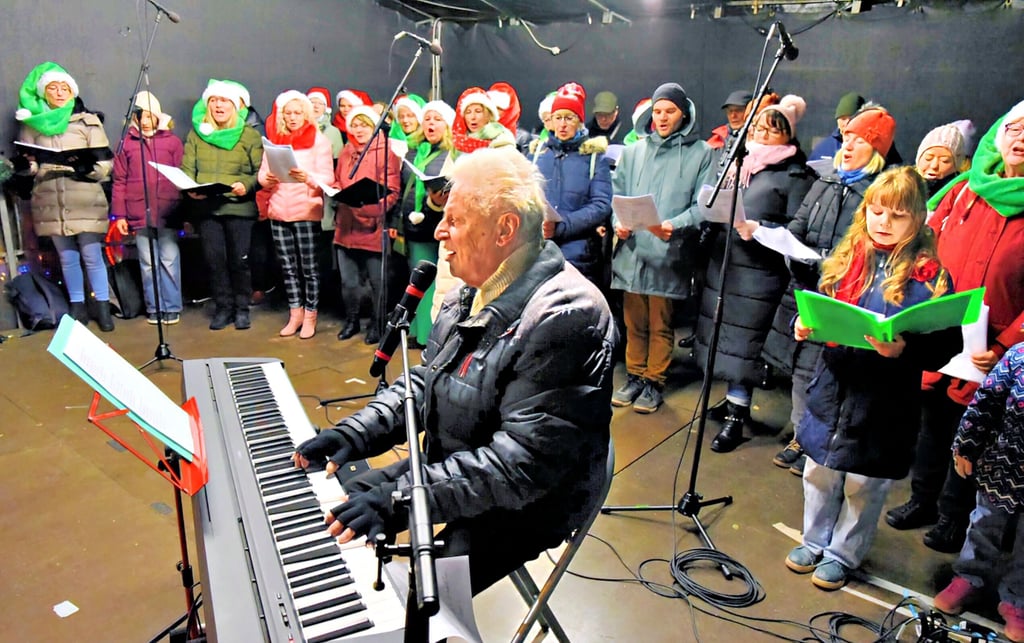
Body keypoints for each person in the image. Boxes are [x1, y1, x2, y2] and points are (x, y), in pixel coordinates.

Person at [292, 147, 616, 595]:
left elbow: (521, 464)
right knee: (339, 505)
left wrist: (400, 499)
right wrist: (354, 434)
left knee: (420, 594)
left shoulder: (566, 316)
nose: (440, 230)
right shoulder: (468, 293)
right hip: (465, 463)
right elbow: (429, 381)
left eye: (456, 219)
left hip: (533, 501)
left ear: (505, 229)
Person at [784, 166, 959, 591]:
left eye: (897, 215)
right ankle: (814, 539)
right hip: (833, 389)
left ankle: (844, 552)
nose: (884, 222)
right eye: (877, 211)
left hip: (885, 401)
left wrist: (905, 349)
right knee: (819, 473)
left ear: (918, 219)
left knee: (864, 485)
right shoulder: (847, 257)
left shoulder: (932, 276)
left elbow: (946, 345)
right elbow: (819, 307)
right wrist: (802, 325)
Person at [884, 100, 1024, 553]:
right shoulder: (965, 190)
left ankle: (953, 518)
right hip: (943, 331)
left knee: (974, 437)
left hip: (995, 348)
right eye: (1015, 128)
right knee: (933, 426)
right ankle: (922, 501)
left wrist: (1004, 345)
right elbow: (926, 244)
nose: (1021, 138)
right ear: (1000, 136)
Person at [761, 104, 897, 474]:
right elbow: (798, 226)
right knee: (800, 369)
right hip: (805, 291)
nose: (848, 145)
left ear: (877, 149)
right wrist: (793, 250)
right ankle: (801, 437)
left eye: (859, 140)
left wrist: (822, 263)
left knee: (827, 374)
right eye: (846, 137)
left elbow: (864, 250)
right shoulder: (826, 181)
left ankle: (818, 442)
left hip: (843, 297)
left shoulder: (878, 195)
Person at [695, 95, 814, 453]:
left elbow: (797, 228)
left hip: (759, 272)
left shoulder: (794, 175)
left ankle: (737, 414)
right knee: (722, 338)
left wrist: (760, 227)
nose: (762, 132)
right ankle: (732, 402)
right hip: (725, 264)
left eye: (772, 129)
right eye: (759, 125)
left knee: (744, 347)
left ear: (788, 137)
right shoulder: (737, 161)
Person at [610, 82, 714, 414]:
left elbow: (704, 205)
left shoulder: (701, 153)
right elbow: (618, 195)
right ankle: (635, 375)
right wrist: (618, 222)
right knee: (633, 320)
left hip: (668, 251)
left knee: (660, 322)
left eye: (669, 111)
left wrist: (676, 224)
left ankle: (654, 380)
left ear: (684, 114)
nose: (662, 117)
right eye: (657, 111)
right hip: (632, 251)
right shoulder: (634, 151)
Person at [932, 342, 1024, 643]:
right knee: (985, 521)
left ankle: (1017, 597)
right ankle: (970, 575)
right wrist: (966, 445)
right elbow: (986, 401)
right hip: (1004, 463)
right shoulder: (1019, 355)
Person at [14, 62, 116, 331]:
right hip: (51, 198)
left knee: (92, 254)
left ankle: (103, 308)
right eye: (53, 88)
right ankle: (77, 307)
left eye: (65, 88)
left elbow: (106, 165)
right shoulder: (31, 125)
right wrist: (27, 168)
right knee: (67, 257)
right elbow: (33, 165)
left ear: (73, 92)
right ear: (43, 93)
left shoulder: (88, 121)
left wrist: (88, 169)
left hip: (84, 196)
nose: (60, 93)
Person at [181, 79, 263, 330]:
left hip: (239, 208)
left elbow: (259, 171)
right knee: (214, 261)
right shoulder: (197, 134)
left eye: (224, 100)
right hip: (207, 209)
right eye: (214, 100)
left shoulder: (249, 135)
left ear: (236, 106)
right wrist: (189, 189)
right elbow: (187, 170)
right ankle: (223, 307)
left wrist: (245, 186)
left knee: (240, 261)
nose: (218, 105)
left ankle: (241, 308)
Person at [257, 90, 334, 339]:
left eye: (297, 112)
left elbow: (328, 179)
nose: (292, 117)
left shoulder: (319, 141)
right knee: (288, 267)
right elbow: (262, 175)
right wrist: (266, 180)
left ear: (306, 114)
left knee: (309, 268)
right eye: (288, 113)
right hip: (279, 211)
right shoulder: (275, 140)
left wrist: (308, 178)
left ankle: (311, 316)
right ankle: (295, 314)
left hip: (306, 210)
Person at [111, 90, 184, 325]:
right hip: (138, 212)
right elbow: (119, 181)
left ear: (158, 116)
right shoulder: (126, 144)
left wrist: (183, 211)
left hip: (167, 212)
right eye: (140, 115)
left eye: (149, 116)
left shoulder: (172, 142)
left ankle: (172, 306)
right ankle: (155, 308)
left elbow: (182, 177)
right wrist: (120, 214)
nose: (144, 120)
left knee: (169, 260)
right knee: (148, 264)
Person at [533, 82, 613, 288]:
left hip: (579, 257)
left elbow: (601, 205)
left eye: (569, 118)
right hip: (538, 253)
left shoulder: (595, 157)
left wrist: (562, 227)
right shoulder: (537, 155)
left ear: (579, 121)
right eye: (557, 118)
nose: (562, 124)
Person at [333, 105, 400, 344]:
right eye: (355, 125)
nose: (359, 129)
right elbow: (337, 179)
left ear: (374, 127)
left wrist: (368, 210)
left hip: (372, 225)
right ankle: (351, 321)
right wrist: (335, 192)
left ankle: (377, 324)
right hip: (345, 225)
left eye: (365, 124)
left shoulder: (386, 151)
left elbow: (392, 192)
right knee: (348, 282)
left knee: (377, 282)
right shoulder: (346, 150)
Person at [395, 99, 455, 347]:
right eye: (427, 118)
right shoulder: (415, 150)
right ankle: (418, 333)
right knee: (416, 282)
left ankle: (429, 337)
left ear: (448, 125)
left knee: (434, 285)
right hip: (413, 226)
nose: (431, 123)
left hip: (435, 226)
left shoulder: (452, 153)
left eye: (437, 119)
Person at [914, 120, 973, 201]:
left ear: (957, 165)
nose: (934, 165)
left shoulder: (960, 194)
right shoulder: (902, 183)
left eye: (944, 161)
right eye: (928, 158)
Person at [451, 87, 516, 154]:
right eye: (468, 112)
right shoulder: (458, 143)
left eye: (478, 111)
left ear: (489, 115)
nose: (473, 117)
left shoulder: (502, 139)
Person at [809, 92, 864, 162]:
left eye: (851, 119)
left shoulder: (874, 148)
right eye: (843, 119)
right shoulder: (823, 149)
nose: (847, 123)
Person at [487, 82, 532, 153]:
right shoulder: (480, 133)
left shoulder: (522, 137)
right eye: (491, 108)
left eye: (499, 108)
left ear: (510, 110)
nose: (494, 112)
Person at [307, 86, 344, 159]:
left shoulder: (333, 132)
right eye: (312, 102)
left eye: (320, 103)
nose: (316, 106)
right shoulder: (297, 127)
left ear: (325, 108)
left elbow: (338, 159)